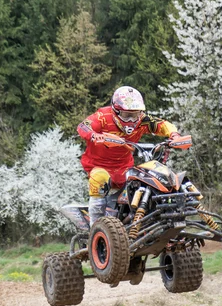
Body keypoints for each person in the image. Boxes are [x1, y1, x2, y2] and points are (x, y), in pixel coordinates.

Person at [77, 86, 189, 224]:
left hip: (124, 167)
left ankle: (143, 221)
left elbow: (162, 124)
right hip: (99, 165)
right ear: (116, 111)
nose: (131, 120)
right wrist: (93, 135)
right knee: (100, 178)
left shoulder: (142, 120)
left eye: (134, 114)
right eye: (126, 115)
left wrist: (174, 135)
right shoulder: (102, 117)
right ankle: (95, 228)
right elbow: (83, 126)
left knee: (143, 182)